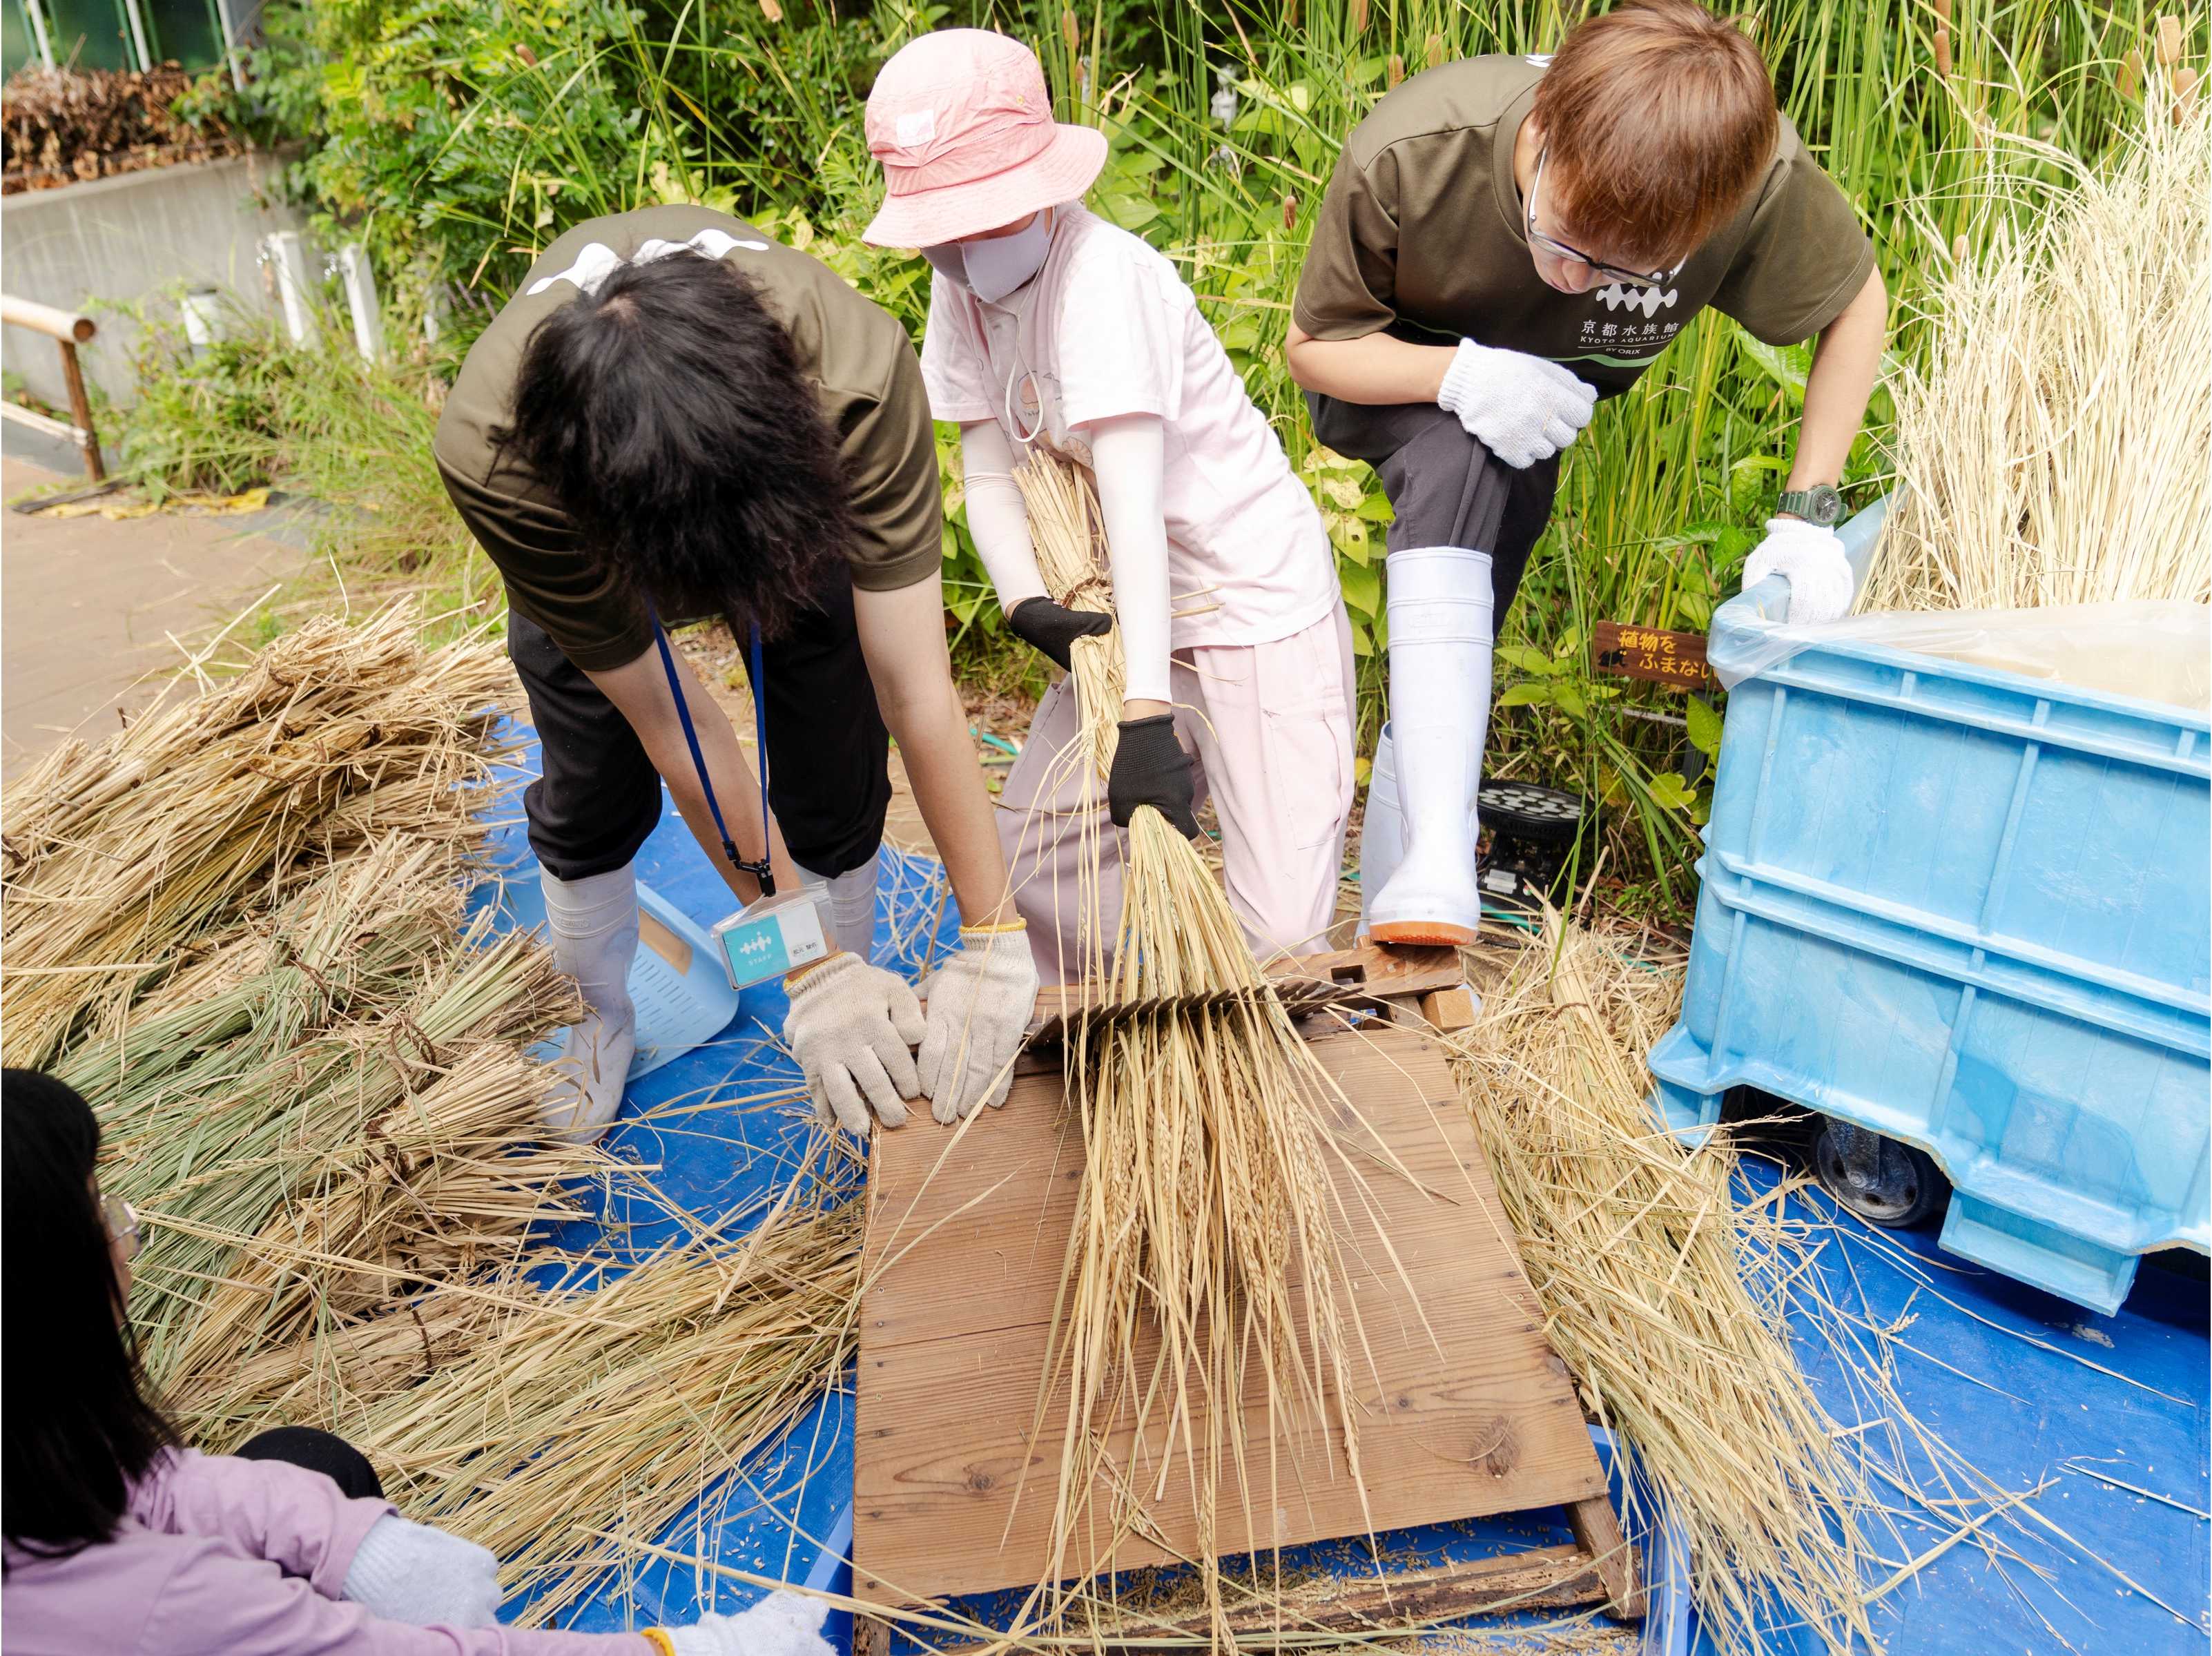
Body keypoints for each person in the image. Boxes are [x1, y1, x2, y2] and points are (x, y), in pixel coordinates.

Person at [1285, 0, 1888, 944]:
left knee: (1464, 619)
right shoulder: (1418, 150)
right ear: (1545, 128)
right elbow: (1315, 346)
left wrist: (1807, 512)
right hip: (1391, 371)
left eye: (1622, 270)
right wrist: (1459, 375)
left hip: (1540, 418)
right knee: (1459, 453)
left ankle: (1406, 905)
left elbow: (1855, 302)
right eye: (1563, 239)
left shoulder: (1751, 177)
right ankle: (1439, 853)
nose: (1577, 278)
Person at [434, 208, 1037, 1138]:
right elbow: (675, 726)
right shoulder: (500, 455)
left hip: (794, 493)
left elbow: (916, 687)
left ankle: (856, 989)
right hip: (588, 513)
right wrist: (804, 971)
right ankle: (594, 1012)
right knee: (593, 772)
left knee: (833, 746)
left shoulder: (859, 384)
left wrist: (993, 935)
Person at [0, 1067, 833, 1656]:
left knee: (306, 1466)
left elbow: (134, 1481)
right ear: (50, 1289)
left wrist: (352, 1542)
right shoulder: (159, 1606)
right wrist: (685, 1647)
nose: (127, 1235)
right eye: (102, 1213)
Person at [862, 29, 1356, 982]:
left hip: (1245, 603)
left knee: (1282, 932)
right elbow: (988, 468)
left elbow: (1133, 499)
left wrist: (1144, 715)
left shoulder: (1103, 278)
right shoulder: (959, 292)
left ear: (1040, 188)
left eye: (979, 221)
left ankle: (1246, 1011)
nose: (958, 250)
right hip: (1120, 611)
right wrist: (1024, 601)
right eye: (943, 230)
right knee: (1036, 857)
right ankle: (1142, 1012)